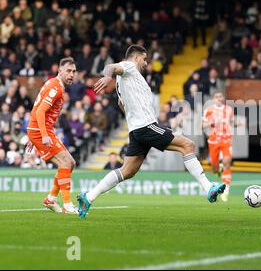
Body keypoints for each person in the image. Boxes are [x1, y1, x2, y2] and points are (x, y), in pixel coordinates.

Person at [77, 45, 225, 218]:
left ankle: (88, 197)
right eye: (145, 59)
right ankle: (208, 188)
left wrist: (134, 118)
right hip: (146, 126)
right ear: (136, 57)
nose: (146, 63)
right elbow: (110, 67)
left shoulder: (125, 81)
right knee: (188, 145)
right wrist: (107, 76)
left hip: (136, 129)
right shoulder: (129, 66)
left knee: (128, 171)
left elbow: (121, 104)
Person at [26, 57, 78, 214]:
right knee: (65, 163)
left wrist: (33, 133)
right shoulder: (55, 88)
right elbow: (41, 111)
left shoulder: (56, 85)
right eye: (68, 71)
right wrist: (41, 134)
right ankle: (67, 205)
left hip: (41, 130)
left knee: (71, 163)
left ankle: (51, 199)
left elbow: (37, 109)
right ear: (59, 71)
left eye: (74, 71)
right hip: (42, 131)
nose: (71, 74)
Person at [203, 92, 234, 202]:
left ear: (223, 98)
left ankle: (226, 191)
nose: (219, 98)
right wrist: (212, 123)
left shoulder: (229, 110)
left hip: (226, 140)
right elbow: (203, 125)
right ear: (213, 99)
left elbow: (231, 122)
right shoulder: (209, 110)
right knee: (215, 169)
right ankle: (218, 169)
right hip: (213, 141)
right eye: (217, 97)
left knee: (227, 162)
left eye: (221, 96)